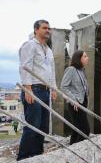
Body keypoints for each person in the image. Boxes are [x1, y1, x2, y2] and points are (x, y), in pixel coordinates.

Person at [17, 20, 57, 161]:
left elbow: (51, 71)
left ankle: (37, 157)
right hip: (34, 89)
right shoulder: (30, 45)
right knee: (32, 126)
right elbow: (24, 67)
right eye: (45, 28)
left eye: (49, 28)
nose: (48, 30)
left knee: (42, 127)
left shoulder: (49, 50)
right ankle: (23, 158)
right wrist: (28, 89)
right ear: (36, 30)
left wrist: (53, 89)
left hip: (45, 91)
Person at [61, 50, 90, 145]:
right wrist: (74, 100)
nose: (87, 58)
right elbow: (64, 86)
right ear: (79, 59)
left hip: (83, 101)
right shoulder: (71, 69)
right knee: (84, 130)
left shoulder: (81, 71)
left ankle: (72, 147)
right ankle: (78, 150)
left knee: (77, 129)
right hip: (75, 104)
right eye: (85, 56)